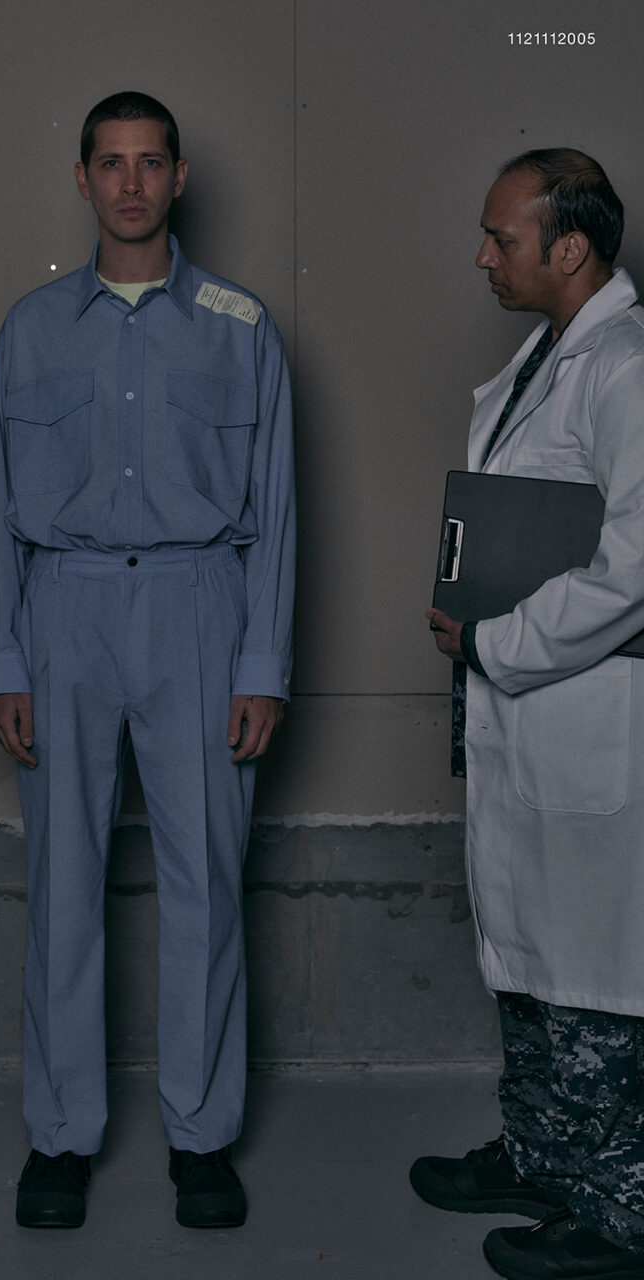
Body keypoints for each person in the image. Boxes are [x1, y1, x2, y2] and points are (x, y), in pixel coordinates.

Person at [0, 91, 295, 1229]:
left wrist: (261, 663)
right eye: (109, 163)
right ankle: (60, 1137)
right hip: (62, 613)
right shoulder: (30, 329)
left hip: (198, 608)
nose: (129, 183)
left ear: (179, 176)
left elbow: (277, 509)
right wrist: (3, 660)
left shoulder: (241, 327)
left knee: (206, 882)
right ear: (82, 179)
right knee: (63, 888)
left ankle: (201, 1137)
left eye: (149, 162)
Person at [418, 149, 644, 1280]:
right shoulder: (550, 354)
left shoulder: (626, 368)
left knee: (594, 973)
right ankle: (546, 1157)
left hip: (585, 710)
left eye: (501, 238)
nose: (482, 257)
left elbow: (634, 562)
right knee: (528, 952)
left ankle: (620, 1217)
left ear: (571, 247)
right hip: (524, 717)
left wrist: (498, 640)